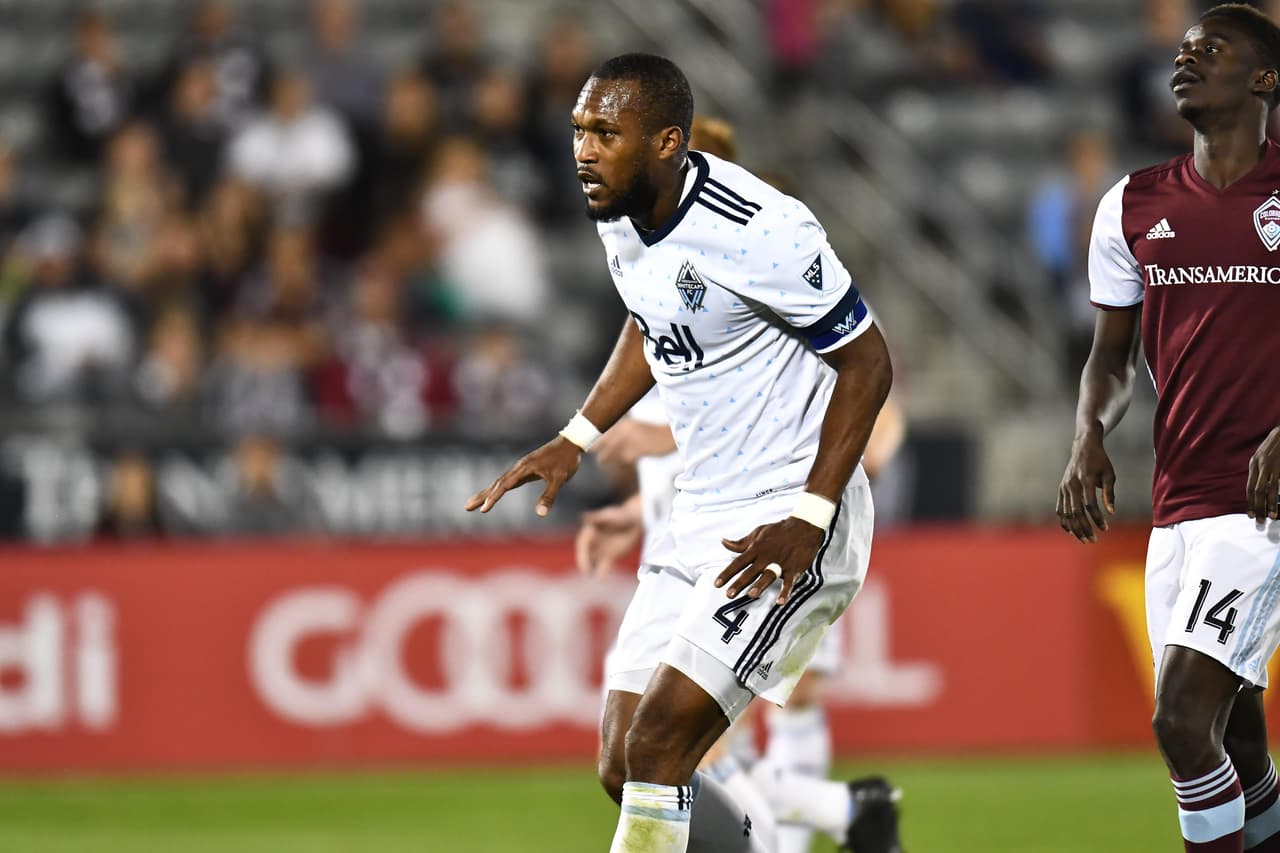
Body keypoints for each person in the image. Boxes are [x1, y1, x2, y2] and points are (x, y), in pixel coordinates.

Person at [466, 54, 897, 853]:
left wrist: (812, 515)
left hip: (782, 520)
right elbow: (646, 314)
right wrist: (576, 435)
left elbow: (869, 362)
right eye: (578, 132)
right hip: (696, 513)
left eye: (605, 132)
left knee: (661, 746)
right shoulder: (617, 208)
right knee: (625, 762)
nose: (584, 151)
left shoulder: (760, 228)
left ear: (668, 141)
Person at [1057, 6, 1280, 852]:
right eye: (1182, 51)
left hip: (1263, 507)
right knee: (1241, 744)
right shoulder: (1131, 204)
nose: (1185, 62)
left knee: (1182, 721)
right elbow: (1110, 357)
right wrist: (1088, 438)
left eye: (1211, 51)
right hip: (1177, 503)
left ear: (1263, 80)